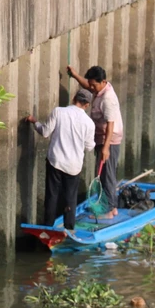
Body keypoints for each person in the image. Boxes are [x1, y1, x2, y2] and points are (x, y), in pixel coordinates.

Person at [25, 89, 97, 230]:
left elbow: (45, 132)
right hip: (73, 166)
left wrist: (35, 122)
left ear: (74, 98)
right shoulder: (89, 123)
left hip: (55, 161)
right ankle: (69, 228)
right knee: (70, 197)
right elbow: (89, 147)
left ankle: (47, 226)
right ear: (87, 105)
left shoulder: (58, 112)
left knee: (52, 195)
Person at [66, 65, 124, 218]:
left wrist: (106, 148)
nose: (91, 87)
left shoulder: (108, 98)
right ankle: (112, 206)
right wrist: (75, 75)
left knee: (107, 175)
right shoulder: (99, 89)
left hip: (109, 140)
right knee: (104, 172)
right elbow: (87, 84)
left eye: (93, 85)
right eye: (90, 84)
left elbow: (110, 125)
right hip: (101, 138)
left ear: (103, 81)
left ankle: (110, 210)